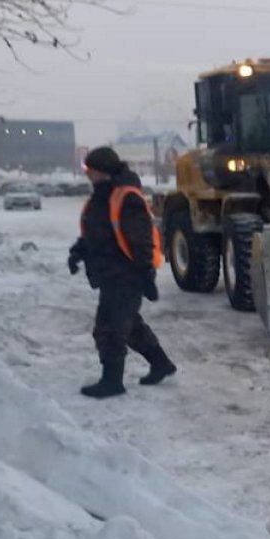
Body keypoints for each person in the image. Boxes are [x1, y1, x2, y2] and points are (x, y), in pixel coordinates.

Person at [68, 147, 176, 399]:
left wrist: (146, 275)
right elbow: (95, 234)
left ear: (101, 170)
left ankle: (112, 380)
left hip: (126, 275)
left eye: (89, 170)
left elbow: (141, 241)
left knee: (109, 328)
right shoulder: (100, 197)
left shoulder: (126, 197)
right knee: (130, 325)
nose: (87, 175)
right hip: (109, 274)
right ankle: (161, 363)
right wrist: (77, 252)